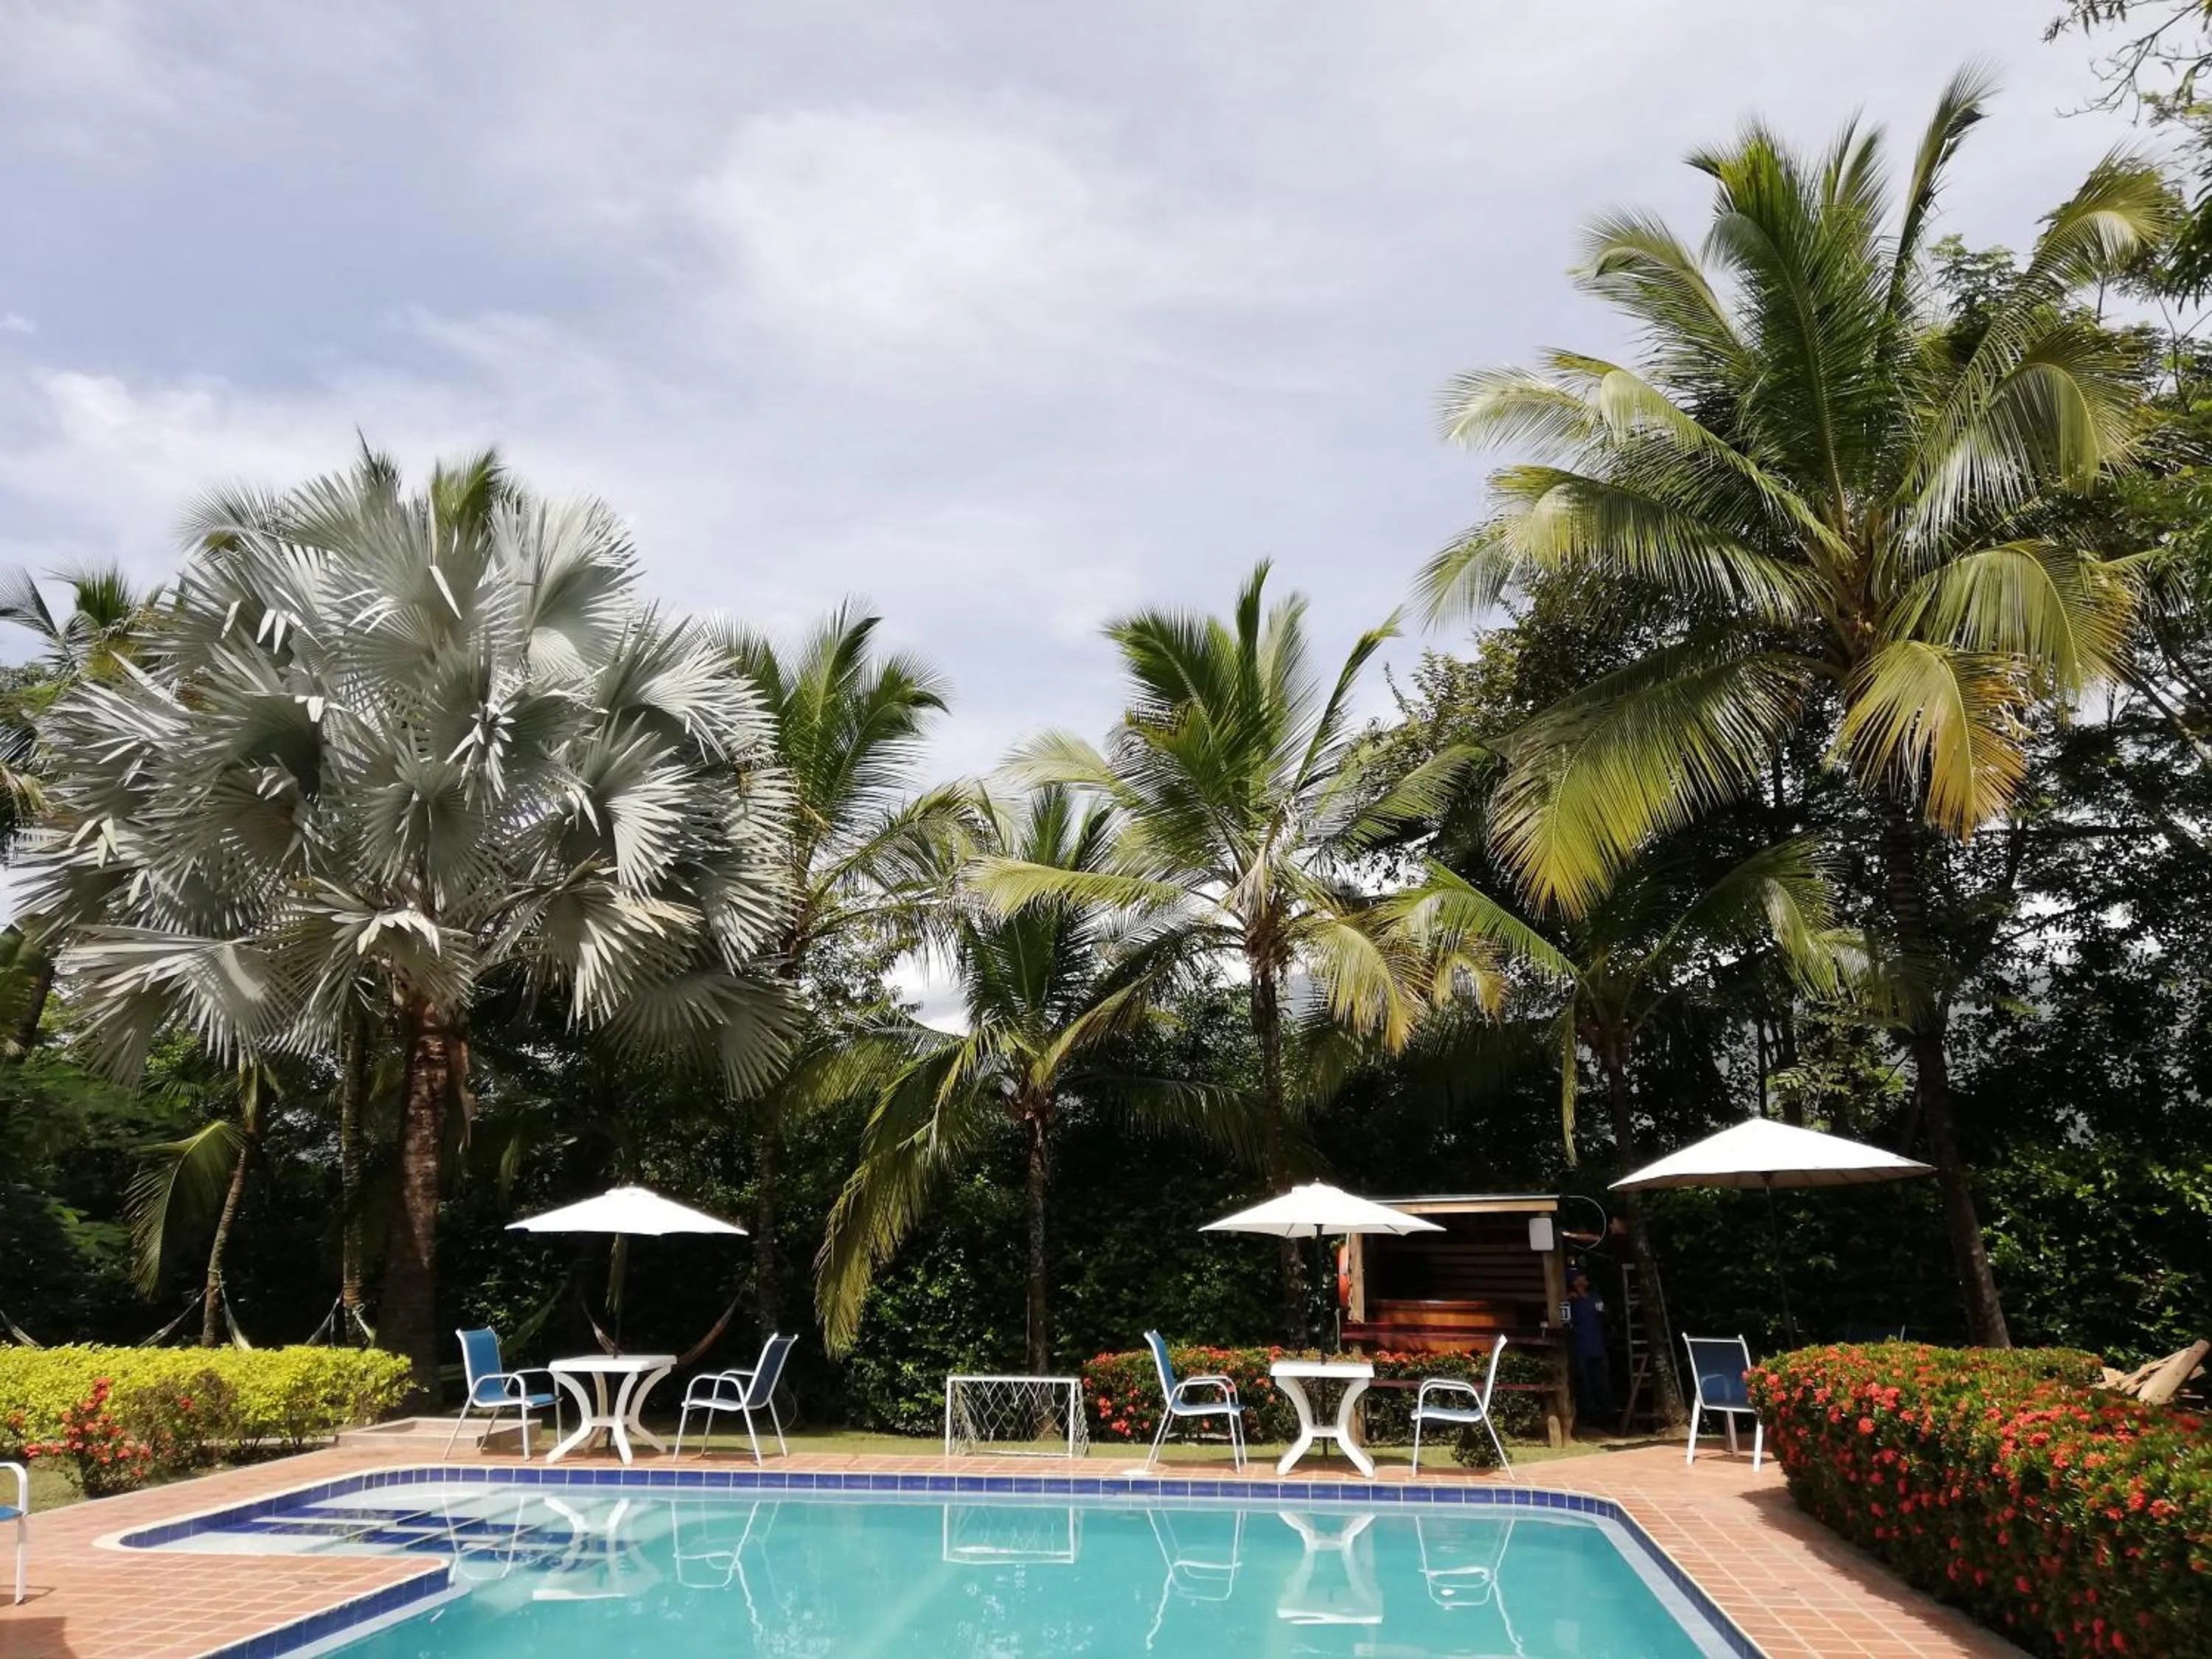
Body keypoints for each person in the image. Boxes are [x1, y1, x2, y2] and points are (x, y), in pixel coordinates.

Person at [1565, 1267, 1615, 1427]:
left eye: (1583, 1277)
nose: (1582, 1280)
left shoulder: (1595, 1299)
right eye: (1579, 1278)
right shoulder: (1570, 1302)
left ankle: (1607, 1416)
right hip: (1580, 1349)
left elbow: (1606, 1318)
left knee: (1602, 1383)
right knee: (1584, 1384)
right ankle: (1589, 1416)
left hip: (1597, 1348)